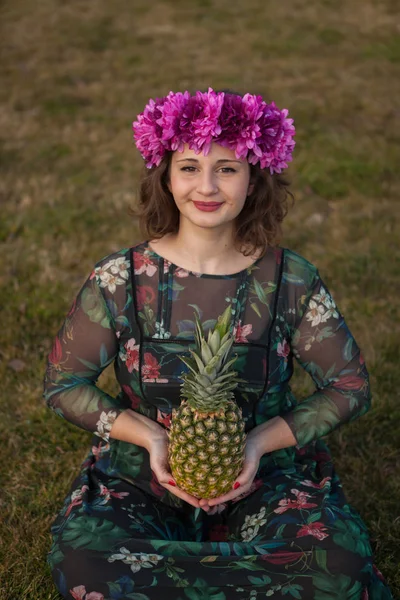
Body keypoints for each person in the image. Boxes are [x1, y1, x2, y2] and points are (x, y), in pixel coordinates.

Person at [44, 88, 392, 600]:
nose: (206, 186)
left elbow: (350, 386)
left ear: (255, 178)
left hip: (266, 477)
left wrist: (256, 444)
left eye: (227, 168)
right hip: (142, 477)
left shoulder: (289, 278)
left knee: (337, 559)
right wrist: (151, 439)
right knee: (83, 563)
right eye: (189, 167)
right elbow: (61, 384)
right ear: (165, 175)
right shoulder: (120, 278)